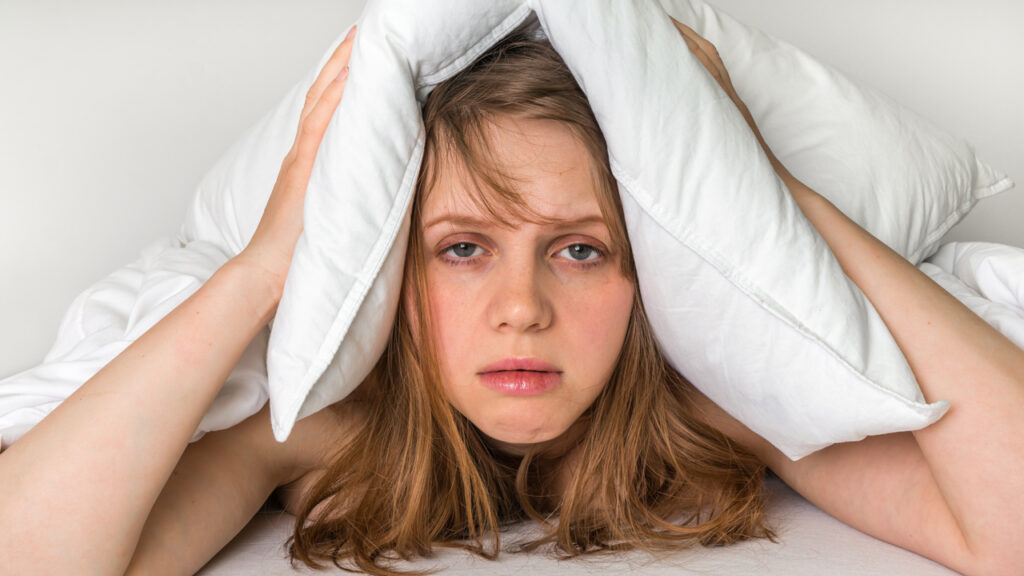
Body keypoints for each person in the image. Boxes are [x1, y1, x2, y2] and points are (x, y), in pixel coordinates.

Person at [1, 17, 1022, 576]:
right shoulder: (321, 424)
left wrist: (773, 200)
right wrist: (267, 264)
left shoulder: (710, 411)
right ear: (391, 271)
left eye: (579, 249)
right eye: (462, 249)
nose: (521, 308)